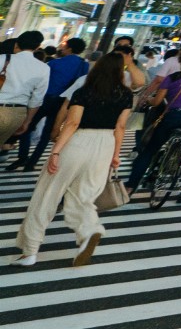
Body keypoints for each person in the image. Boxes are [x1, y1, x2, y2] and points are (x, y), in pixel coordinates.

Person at [10, 52, 129, 267]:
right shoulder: (126, 95)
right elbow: (120, 127)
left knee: (47, 195)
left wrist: (55, 151)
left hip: (79, 141)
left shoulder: (84, 92)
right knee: (84, 196)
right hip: (106, 144)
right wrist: (115, 156)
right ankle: (89, 230)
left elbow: (73, 123)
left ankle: (30, 251)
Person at [124, 44, 181, 202]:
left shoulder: (172, 78)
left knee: (150, 150)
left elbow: (157, 101)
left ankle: (131, 186)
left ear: (179, 60)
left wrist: (148, 100)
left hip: (174, 115)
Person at [10, 36, 86, 172]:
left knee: (26, 127)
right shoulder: (84, 65)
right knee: (48, 133)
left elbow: (41, 81)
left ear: (69, 48)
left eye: (64, 46)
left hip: (45, 99)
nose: (61, 48)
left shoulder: (55, 63)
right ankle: (32, 163)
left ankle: (22, 157)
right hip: (64, 103)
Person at [0, 31, 49, 159]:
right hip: (16, 114)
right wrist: (27, 121)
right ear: (37, 47)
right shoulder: (44, 68)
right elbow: (37, 99)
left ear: (17, 44)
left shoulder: (2, 59)